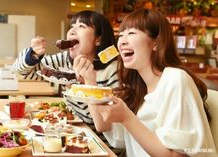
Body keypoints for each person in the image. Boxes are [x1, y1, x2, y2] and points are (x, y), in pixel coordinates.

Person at [87, 8, 217, 157]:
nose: (122, 41)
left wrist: (127, 117)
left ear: (156, 43)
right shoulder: (139, 90)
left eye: (131, 33)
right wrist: (90, 82)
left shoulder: (175, 79)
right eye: (121, 35)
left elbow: (175, 155)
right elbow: (103, 126)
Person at [13, 10, 125, 156]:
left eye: (81, 26)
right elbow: (22, 71)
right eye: (72, 25)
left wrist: (87, 85)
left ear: (98, 39)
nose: (72, 30)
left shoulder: (112, 70)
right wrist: (32, 55)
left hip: (103, 148)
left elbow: (106, 123)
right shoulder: (64, 59)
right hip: (70, 140)